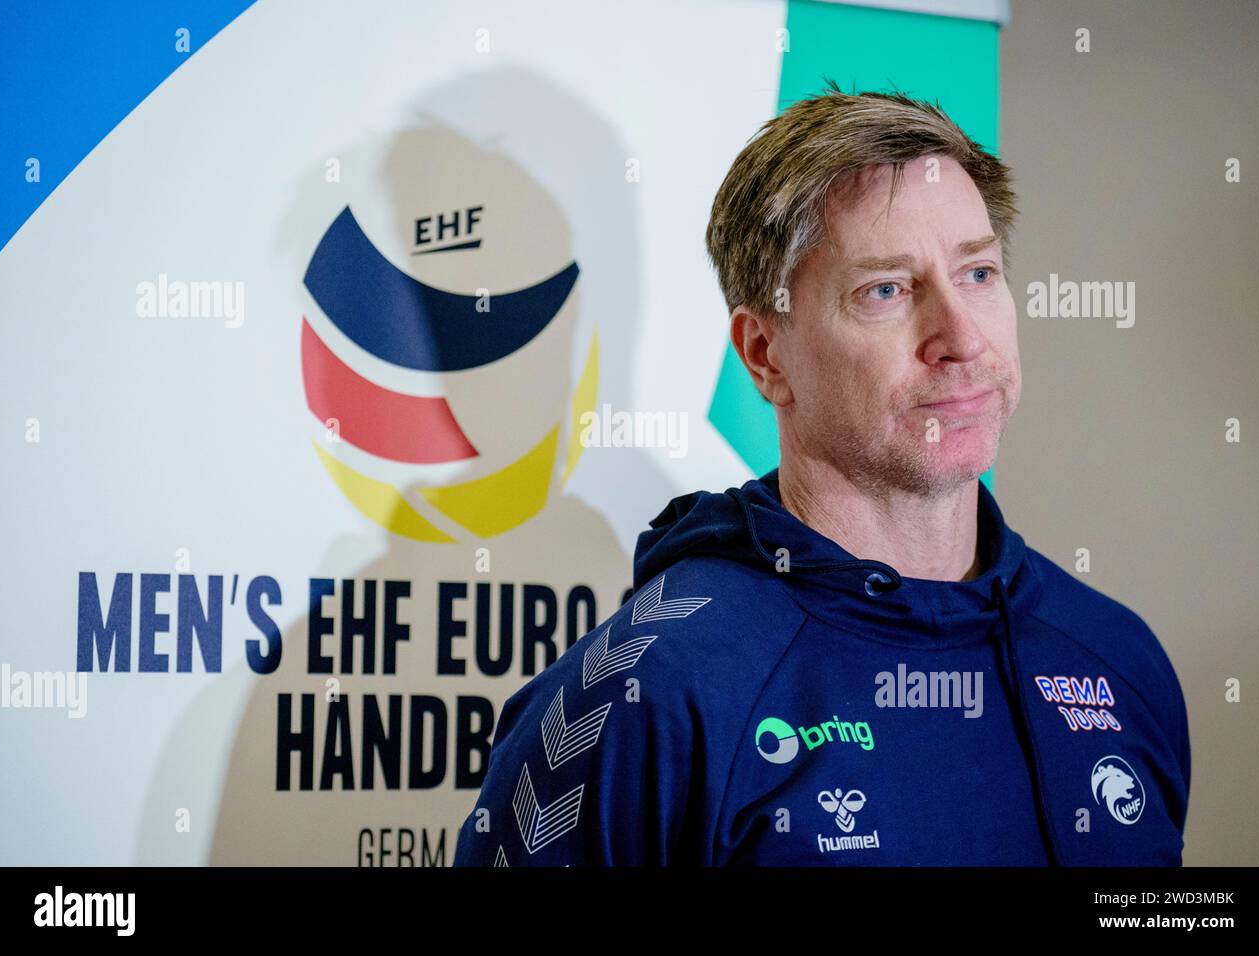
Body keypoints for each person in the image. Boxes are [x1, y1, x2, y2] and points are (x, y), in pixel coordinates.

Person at [452, 84, 1191, 866]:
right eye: (887, 290)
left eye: (978, 273)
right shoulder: (648, 697)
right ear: (766, 354)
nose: (961, 338)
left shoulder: (1114, 653)